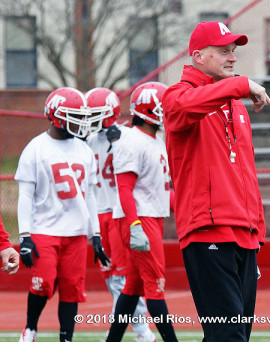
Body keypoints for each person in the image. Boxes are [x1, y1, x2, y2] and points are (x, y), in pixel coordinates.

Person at [161, 21, 270, 341]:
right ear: (198, 56)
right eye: (224, 51)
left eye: (233, 52)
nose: (233, 58)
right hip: (207, 232)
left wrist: (257, 228)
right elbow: (183, 106)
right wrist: (240, 85)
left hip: (244, 235)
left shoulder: (236, 106)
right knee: (228, 337)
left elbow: (247, 174)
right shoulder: (177, 96)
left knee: (227, 336)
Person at [15, 87, 110, 342]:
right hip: (45, 229)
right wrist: (24, 235)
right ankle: (30, 328)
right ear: (56, 115)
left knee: (72, 289)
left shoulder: (84, 151)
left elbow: (89, 195)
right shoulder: (35, 148)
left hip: (77, 233)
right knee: (43, 283)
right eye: (74, 116)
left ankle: (66, 337)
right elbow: (24, 195)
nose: (80, 123)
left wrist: (96, 234)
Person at [105, 82, 177, 342]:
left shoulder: (155, 140)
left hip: (150, 216)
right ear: (150, 110)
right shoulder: (132, 140)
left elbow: (159, 190)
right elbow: (125, 188)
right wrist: (135, 225)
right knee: (155, 286)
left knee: (133, 287)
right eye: (164, 107)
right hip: (137, 219)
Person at [85, 87, 157, 342]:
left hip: (117, 212)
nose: (90, 119)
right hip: (96, 214)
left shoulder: (127, 136)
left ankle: (142, 332)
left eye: (95, 114)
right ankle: (134, 327)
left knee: (121, 278)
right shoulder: (87, 140)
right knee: (110, 277)